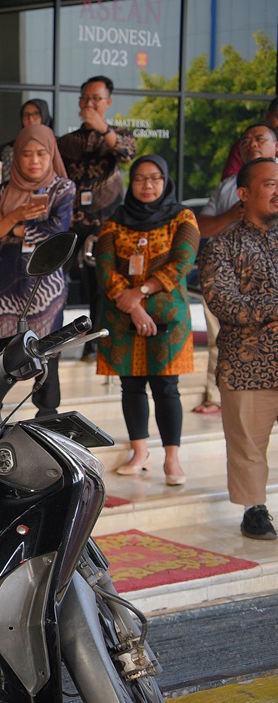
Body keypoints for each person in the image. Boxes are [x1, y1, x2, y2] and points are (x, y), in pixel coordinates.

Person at [95, 155, 199, 485]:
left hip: (167, 314)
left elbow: (183, 262)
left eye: (154, 178)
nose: (147, 185)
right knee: (131, 383)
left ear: (165, 181)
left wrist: (141, 291)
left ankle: (172, 459)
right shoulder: (114, 221)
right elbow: (104, 267)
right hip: (124, 314)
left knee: (166, 386)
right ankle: (140, 452)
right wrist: (133, 304)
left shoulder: (183, 217)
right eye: (140, 178)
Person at [199, 157, 278, 541]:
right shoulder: (221, 246)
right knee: (248, 443)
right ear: (243, 194)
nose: (277, 189)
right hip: (247, 363)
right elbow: (225, 303)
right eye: (269, 183)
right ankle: (254, 510)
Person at [0, 124, 76, 417]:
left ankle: (47, 414)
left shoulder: (63, 188)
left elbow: (55, 231)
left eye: (41, 153)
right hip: (4, 282)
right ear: (17, 157)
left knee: (48, 351)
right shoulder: (3, 189)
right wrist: (19, 215)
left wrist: (7, 225)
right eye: (27, 154)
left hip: (44, 284)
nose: (34, 160)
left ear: (52, 155)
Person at [192, 124, 277, 416]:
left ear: (275, 146)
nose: (252, 144)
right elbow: (201, 228)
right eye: (246, 140)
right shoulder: (228, 186)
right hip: (233, 278)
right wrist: (230, 215)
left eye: (260, 139)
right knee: (222, 335)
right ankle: (214, 395)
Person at [57, 76, 136, 361]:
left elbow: (127, 153)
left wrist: (103, 128)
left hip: (104, 226)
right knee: (56, 283)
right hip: (69, 224)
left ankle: (96, 346)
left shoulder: (120, 135)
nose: (89, 104)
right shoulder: (66, 143)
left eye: (96, 99)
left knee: (101, 287)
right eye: (85, 98)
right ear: (79, 102)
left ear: (108, 102)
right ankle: (50, 345)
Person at [218, 98, 278, 181]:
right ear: (267, 116)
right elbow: (228, 186)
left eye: (260, 139)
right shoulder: (247, 145)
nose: (254, 144)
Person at [0, 98, 53, 168]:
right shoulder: (12, 148)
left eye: (36, 114)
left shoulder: (57, 145)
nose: (30, 119)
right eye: (26, 115)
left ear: (44, 116)